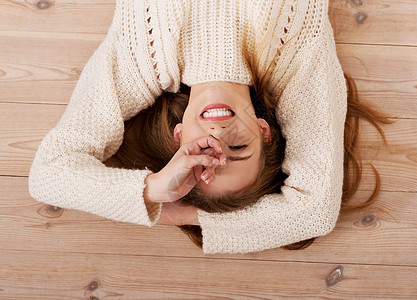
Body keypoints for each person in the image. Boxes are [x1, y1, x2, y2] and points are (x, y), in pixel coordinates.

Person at [28, 0, 394, 254]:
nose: (218, 136)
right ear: (264, 131)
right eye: (238, 150)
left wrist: (154, 191)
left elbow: (49, 174)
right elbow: (315, 212)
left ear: (177, 137)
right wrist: (192, 216)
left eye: (202, 152)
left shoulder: (140, 63)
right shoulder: (295, 61)